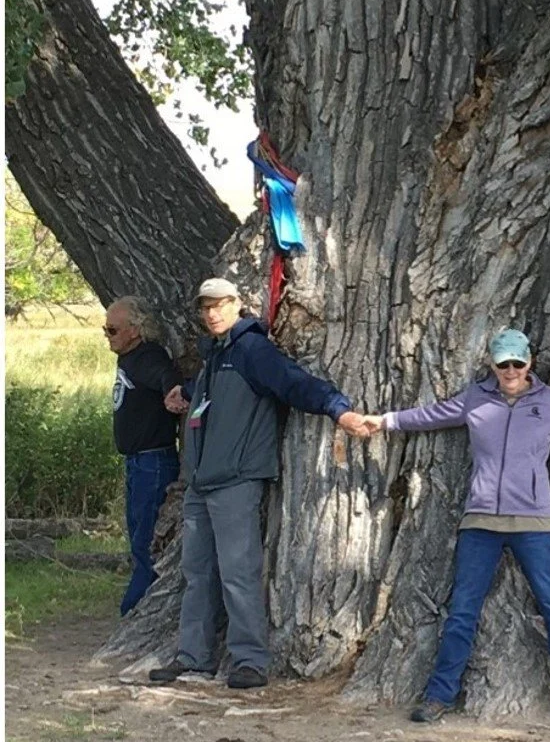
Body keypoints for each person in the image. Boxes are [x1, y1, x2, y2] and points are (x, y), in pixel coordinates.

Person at [354, 329, 550, 724]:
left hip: (534, 520)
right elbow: (431, 415)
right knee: (462, 611)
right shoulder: (475, 398)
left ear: (529, 362)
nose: (510, 370)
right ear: (492, 363)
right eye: (503, 363)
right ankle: (439, 695)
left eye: (517, 363)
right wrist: (383, 421)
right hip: (481, 519)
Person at [149, 278, 369, 689]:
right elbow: (209, 395)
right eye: (206, 307)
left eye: (220, 305)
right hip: (200, 483)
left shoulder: (252, 350)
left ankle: (250, 660)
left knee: (238, 571)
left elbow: (294, 384)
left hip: (236, 480)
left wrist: (339, 409)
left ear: (237, 305)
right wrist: (186, 393)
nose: (212, 313)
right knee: (196, 572)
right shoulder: (213, 356)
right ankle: (193, 656)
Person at [105, 296, 183, 616]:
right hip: (137, 463)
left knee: (146, 542)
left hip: (152, 463)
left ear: (135, 331)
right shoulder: (128, 359)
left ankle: (135, 610)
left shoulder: (148, 356)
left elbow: (165, 374)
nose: (107, 335)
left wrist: (172, 392)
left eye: (112, 329)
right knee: (138, 534)